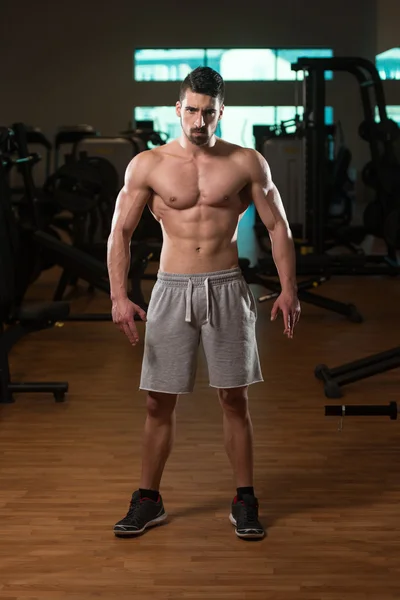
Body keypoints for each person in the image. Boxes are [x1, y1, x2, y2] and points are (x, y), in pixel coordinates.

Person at [107, 66, 300, 541]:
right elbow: (121, 233)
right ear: (178, 108)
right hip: (171, 289)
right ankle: (148, 500)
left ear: (221, 112)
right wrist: (118, 296)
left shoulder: (246, 162)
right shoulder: (147, 165)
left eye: (208, 113)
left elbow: (278, 227)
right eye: (191, 110)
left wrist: (289, 287)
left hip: (227, 289)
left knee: (234, 398)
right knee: (157, 403)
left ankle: (245, 499)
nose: (198, 121)